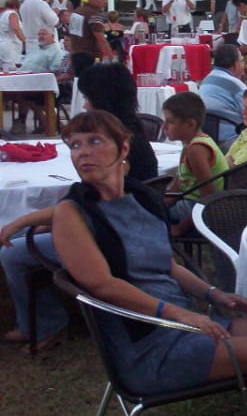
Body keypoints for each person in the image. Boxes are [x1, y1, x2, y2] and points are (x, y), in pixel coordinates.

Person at [52, 109, 247, 416]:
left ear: (123, 148)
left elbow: (167, 264)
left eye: (94, 141)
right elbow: (103, 285)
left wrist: (214, 295)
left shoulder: (141, 198)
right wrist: (182, 314)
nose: (82, 152)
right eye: (75, 145)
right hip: (147, 347)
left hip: (182, 326)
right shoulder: (73, 213)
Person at [0, 63, 159, 351]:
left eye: (87, 97)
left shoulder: (114, 148)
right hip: (120, 224)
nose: (84, 104)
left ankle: (47, 324)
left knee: (13, 253)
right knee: (22, 238)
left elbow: (87, 205)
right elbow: (85, 202)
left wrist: (35, 222)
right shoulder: (125, 132)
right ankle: (38, 318)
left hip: (115, 235)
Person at [161, 92, 229, 236]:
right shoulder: (190, 145)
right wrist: (158, 204)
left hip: (200, 211)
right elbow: (179, 185)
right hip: (190, 203)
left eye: (170, 122)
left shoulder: (196, 150)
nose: (164, 126)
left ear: (190, 124)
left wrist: (180, 228)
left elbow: (208, 197)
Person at [199, 42, 247, 147]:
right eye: (241, 60)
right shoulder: (237, 86)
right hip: (229, 140)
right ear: (235, 64)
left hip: (205, 139)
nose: (243, 64)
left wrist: (244, 82)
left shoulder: (207, 79)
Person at [20, 0, 62, 72]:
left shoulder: (24, 4)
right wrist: (56, 13)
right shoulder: (41, 4)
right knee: (47, 71)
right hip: (44, 44)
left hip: (29, 42)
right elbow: (54, 21)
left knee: (31, 70)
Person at [0, 0, 25, 71]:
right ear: (16, 6)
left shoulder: (3, 14)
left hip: (4, 44)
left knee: (5, 68)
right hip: (10, 46)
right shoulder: (12, 14)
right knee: (12, 68)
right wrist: (24, 40)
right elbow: (16, 28)